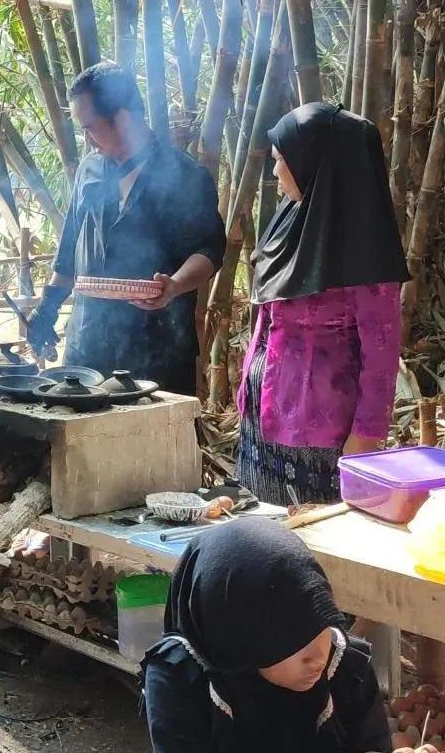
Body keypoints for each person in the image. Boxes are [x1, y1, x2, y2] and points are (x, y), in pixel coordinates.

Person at [236, 102, 408, 506]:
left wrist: (365, 436)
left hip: (321, 438)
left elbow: (382, 355)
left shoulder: (365, 248)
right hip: (263, 421)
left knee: (312, 550)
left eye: (282, 161)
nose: (275, 172)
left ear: (317, 165)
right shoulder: (293, 219)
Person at [27, 62, 226, 396]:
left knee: (152, 447)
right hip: (87, 350)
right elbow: (69, 253)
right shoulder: (88, 171)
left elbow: (208, 251)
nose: (86, 139)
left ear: (122, 117)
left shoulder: (184, 175)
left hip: (157, 350)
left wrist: (174, 285)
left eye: (89, 128)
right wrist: (47, 309)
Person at [142, 518, 390, 753]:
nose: (317, 657)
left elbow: (369, 741)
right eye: (292, 640)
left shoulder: (344, 666)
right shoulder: (181, 680)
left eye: (320, 624)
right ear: (238, 637)